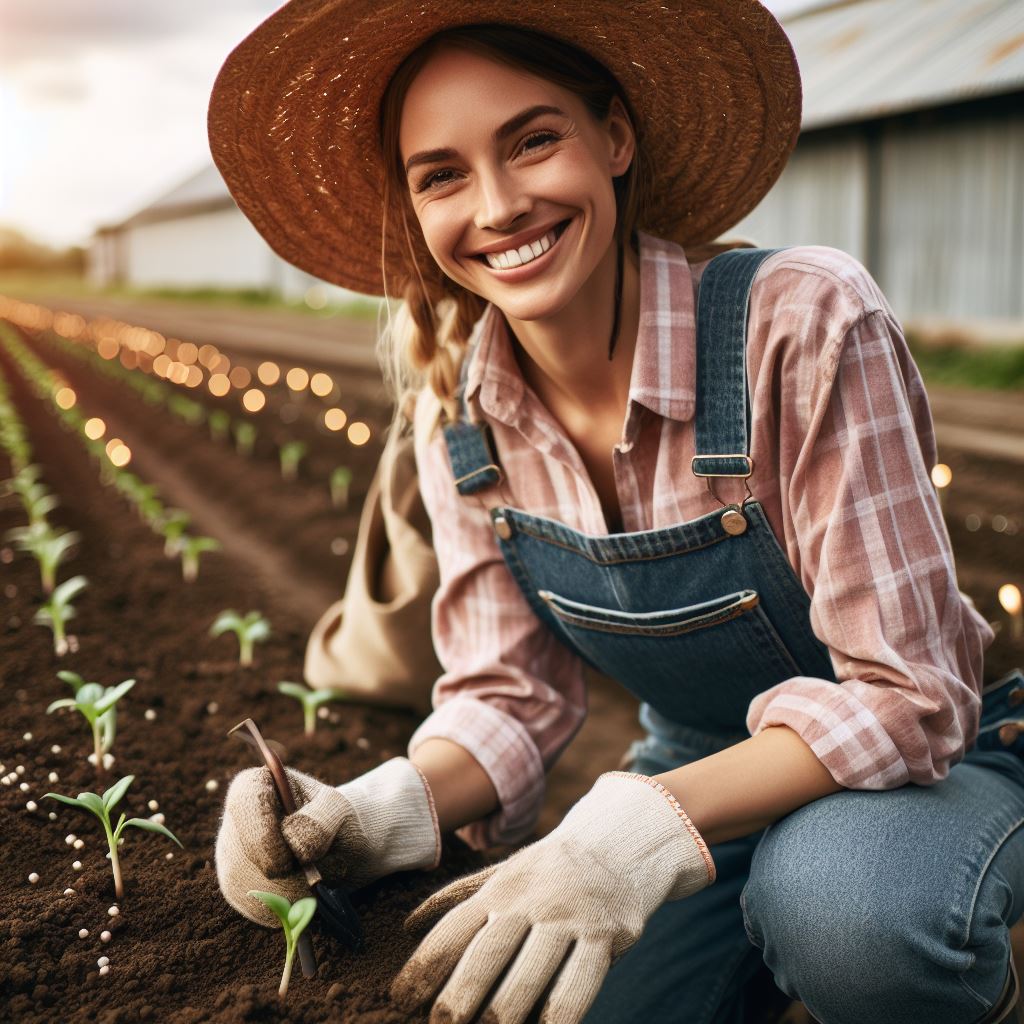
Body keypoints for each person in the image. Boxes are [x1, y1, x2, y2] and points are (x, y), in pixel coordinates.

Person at [208, 3, 1024, 1022]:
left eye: (533, 140)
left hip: (932, 762)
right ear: (416, 210)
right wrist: (375, 814)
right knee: (560, 997)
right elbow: (508, 697)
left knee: (846, 915)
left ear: (615, 138)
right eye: (442, 174)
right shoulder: (457, 418)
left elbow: (909, 697)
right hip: (694, 764)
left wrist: (638, 824)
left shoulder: (800, 321)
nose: (499, 205)